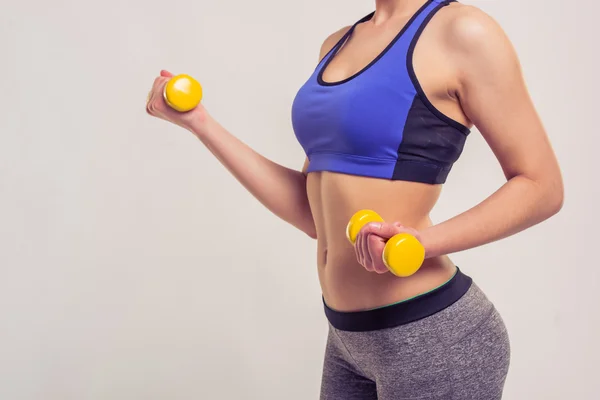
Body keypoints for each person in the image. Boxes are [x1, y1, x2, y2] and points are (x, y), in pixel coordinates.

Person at [146, 0, 563, 398]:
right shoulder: (337, 44)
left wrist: (421, 244)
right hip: (347, 340)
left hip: (431, 337)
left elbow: (541, 186)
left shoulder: (463, 32)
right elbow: (313, 214)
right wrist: (200, 124)